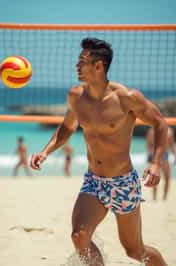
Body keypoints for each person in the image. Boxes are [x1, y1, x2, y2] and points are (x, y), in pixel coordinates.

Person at [30, 38, 168, 265]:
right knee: (79, 236)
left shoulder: (126, 97)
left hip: (123, 182)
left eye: (82, 61)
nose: (77, 65)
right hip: (94, 181)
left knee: (134, 251)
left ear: (99, 66)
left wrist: (155, 163)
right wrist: (45, 152)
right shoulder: (76, 97)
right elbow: (67, 127)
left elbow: (160, 123)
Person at [146, 126, 176, 200]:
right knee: (157, 178)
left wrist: (175, 155)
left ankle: (161, 197)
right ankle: (158, 198)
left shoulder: (153, 131)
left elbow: (172, 145)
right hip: (159, 155)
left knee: (164, 177)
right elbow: (149, 145)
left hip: (160, 155)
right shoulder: (152, 131)